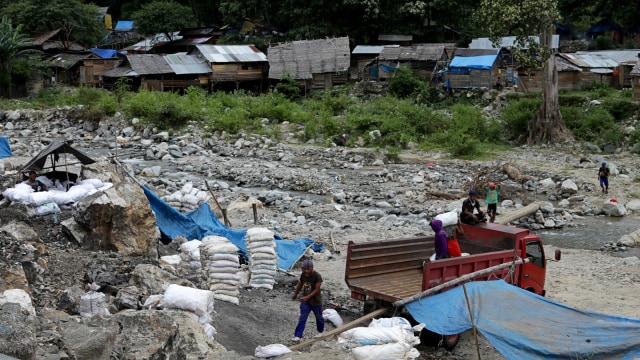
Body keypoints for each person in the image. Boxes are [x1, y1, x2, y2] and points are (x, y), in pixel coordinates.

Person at [291, 259, 324, 342]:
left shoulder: (317, 276)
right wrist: (296, 294)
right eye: (304, 269)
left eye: (308, 269)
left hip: (316, 301)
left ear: (312, 268)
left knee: (319, 318)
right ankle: (298, 336)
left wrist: (307, 297)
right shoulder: (303, 275)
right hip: (306, 302)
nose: (306, 271)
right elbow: (300, 284)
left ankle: (320, 332)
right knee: (302, 318)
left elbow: (317, 289)